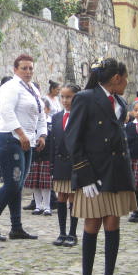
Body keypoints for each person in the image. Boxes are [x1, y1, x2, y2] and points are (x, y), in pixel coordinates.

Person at [62, 58, 137, 275]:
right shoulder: (85, 97)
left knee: (112, 225)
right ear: (116, 78)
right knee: (91, 225)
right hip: (93, 173)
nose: (127, 82)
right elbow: (73, 138)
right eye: (125, 78)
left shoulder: (121, 101)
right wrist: (84, 174)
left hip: (116, 172)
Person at [0, 54, 47, 242]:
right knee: (12, 183)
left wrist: (42, 134)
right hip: (10, 138)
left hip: (28, 140)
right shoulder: (9, 87)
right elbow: (6, 112)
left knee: (18, 186)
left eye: (30, 68)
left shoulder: (33, 89)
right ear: (15, 70)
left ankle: (16, 227)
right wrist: (22, 133)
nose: (28, 72)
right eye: (24, 68)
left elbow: (40, 113)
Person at [50, 83, 81, 247]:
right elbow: (52, 144)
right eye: (62, 97)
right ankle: (62, 232)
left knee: (73, 198)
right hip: (60, 164)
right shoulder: (56, 117)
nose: (65, 100)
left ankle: (73, 233)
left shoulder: (81, 117)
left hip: (75, 163)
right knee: (61, 196)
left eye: (69, 97)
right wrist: (51, 167)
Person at [24, 98, 53, 215]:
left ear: (47, 109)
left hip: (46, 157)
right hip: (34, 155)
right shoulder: (32, 123)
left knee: (45, 184)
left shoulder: (51, 123)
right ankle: (37, 205)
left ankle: (47, 206)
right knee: (35, 183)